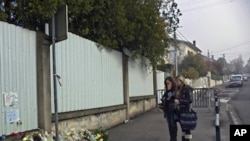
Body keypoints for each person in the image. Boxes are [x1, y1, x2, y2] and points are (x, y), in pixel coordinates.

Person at [175, 75, 193, 141]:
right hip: (180, 111)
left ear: (181, 81)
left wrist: (179, 101)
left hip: (185, 111)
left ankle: (187, 140)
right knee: (183, 129)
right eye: (176, 81)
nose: (176, 83)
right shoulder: (178, 89)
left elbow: (190, 100)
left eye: (177, 81)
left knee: (187, 129)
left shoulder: (187, 88)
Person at [161, 76, 179, 141]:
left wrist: (169, 98)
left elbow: (172, 98)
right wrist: (168, 98)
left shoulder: (174, 90)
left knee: (173, 124)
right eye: (166, 83)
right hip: (167, 110)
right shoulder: (167, 90)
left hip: (173, 109)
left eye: (168, 83)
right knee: (170, 125)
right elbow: (163, 98)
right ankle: (172, 138)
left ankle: (174, 138)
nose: (167, 84)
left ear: (171, 82)